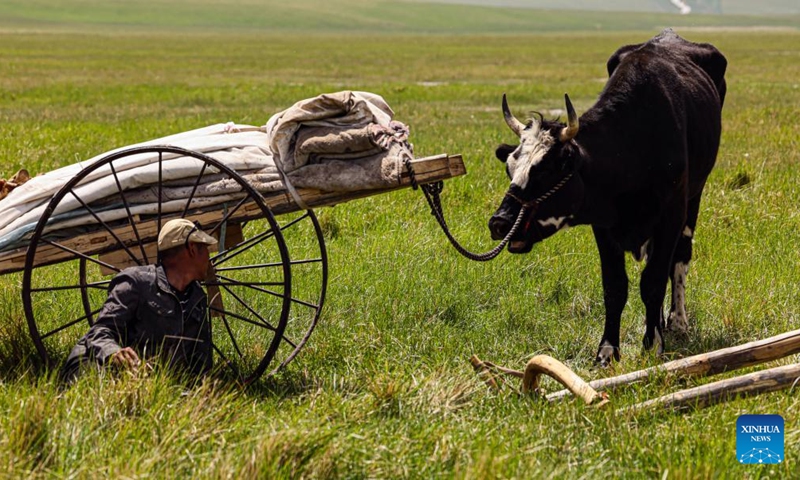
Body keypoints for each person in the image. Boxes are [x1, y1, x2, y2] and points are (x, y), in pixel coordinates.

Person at [60, 218, 217, 383]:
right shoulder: (136, 282)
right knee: (104, 388)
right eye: (205, 249)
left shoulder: (196, 297)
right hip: (98, 363)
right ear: (192, 249)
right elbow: (99, 332)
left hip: (145, 378)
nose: (209, 256)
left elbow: (200, 364)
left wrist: (206, 389)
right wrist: (114, 353)